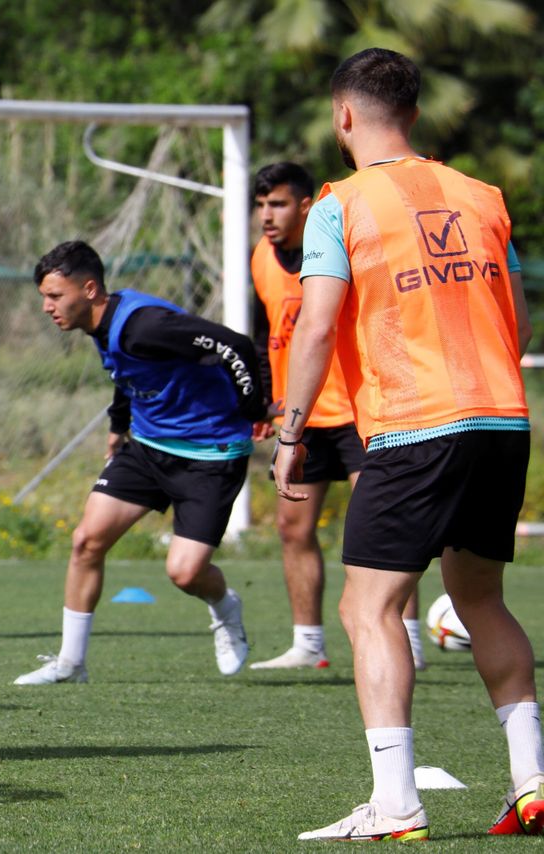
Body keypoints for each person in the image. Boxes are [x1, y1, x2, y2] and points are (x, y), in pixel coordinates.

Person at [278, 48, 538, 842]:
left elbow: (317, 324)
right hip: (501, 419)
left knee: (369, 607)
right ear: (416, 116)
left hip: (415, 424)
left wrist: (290, 431)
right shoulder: (482, 197)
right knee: (480, 597)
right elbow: (516, 315)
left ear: (343, 116)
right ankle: (533, 778)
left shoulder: (340, 204)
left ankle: (395, 802)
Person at [17, 240, 266, 685]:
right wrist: (118, 425)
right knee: (86, 541)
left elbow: (234, 345)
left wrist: (253, 410)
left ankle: (226, 609)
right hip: (149, 447)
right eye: (43, 297)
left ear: (89, 289)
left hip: (209, 453)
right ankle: (72, 664)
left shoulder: (145, 325)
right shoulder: (103, 326)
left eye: (54, 296)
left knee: (184, 573)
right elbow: (128, 371)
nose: (46, 307)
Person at [245, 162, 424, 672]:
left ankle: (407, 640)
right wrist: (264, 400)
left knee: (388, 528)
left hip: (357, 409)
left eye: (276, 204)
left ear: (306, 206)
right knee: (291, 527)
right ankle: (308, 642)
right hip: (301, 418)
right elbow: (267, 337)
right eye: (260, 206)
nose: (266, 216)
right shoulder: (260, 258)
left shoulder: (343, 242)